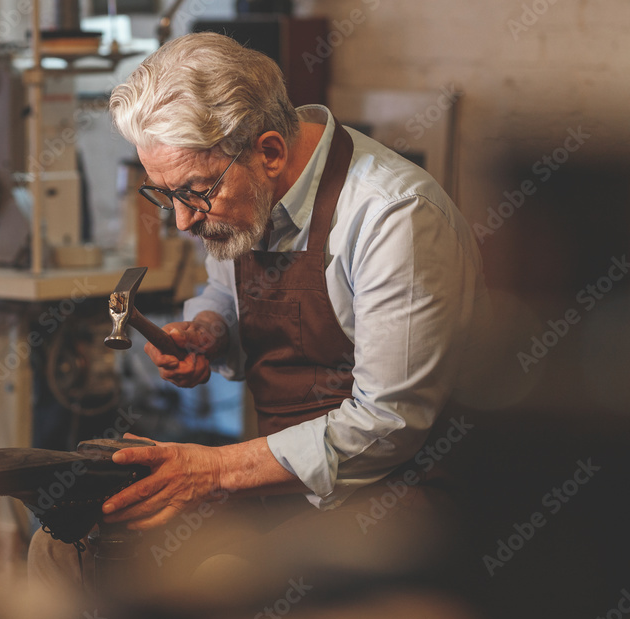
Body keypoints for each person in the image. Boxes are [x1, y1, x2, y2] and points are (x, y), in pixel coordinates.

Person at [29, 32, 489, 588]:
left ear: (269, 152)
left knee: (227, 577)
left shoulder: (394, 218)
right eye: (165, 194)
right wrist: (210, 329)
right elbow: (224, 289)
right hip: (277, 483)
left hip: (399, 490)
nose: (182, 221)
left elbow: (387, 426)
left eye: (194, 193)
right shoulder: (243, 193)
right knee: (66, 543)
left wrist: (213, 470)